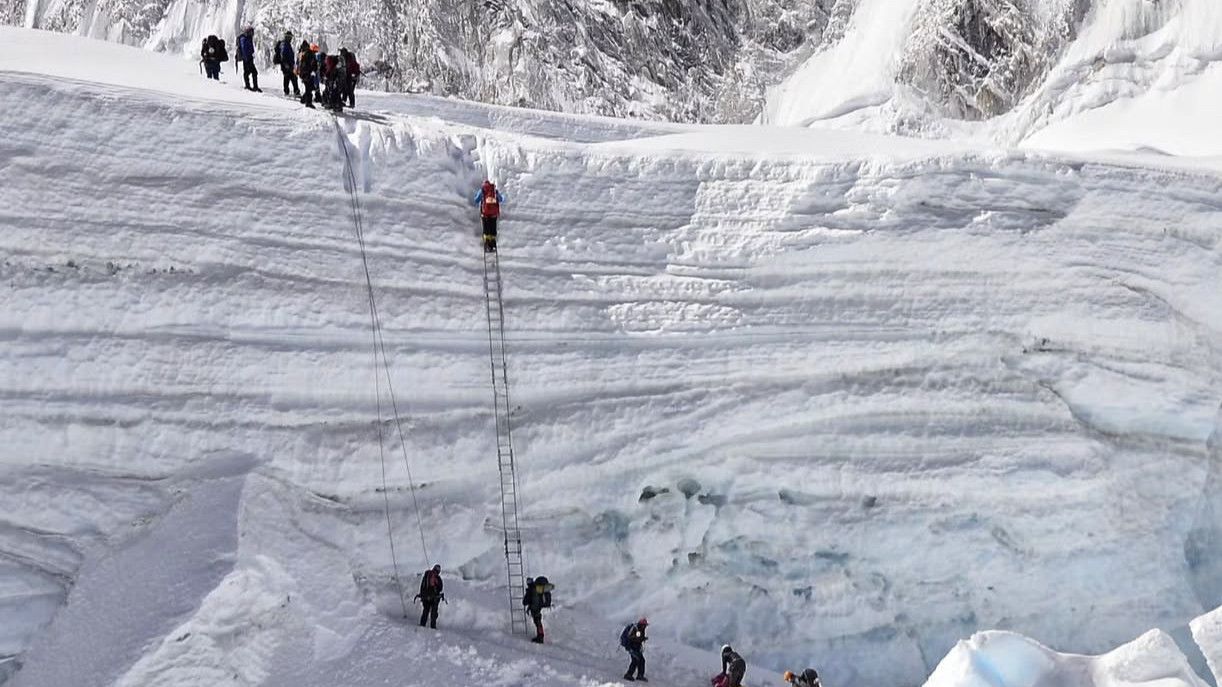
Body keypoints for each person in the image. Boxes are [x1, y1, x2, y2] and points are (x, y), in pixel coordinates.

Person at [472, 180, 505, 252]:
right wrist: (504, 197)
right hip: (493, 214)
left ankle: (487, 244)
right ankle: (493, 244)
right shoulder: (494, 191)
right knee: (492, 228)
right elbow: (501, 199)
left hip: (485, 214)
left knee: (486, 229)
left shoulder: (482, 190)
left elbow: (476, 200)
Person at [522, 576, 552, 644]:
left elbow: (524, 602)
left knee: (537, 621)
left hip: (536, 608)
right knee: (538, 621)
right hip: (542, 607)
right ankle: (540, 636)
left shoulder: (532, 589)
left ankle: (540, 637)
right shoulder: (538, 589)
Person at [415, 564, 444, 629]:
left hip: (425, 597)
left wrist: (422, 595)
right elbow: (440, 588)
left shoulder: (426, 575)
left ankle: (422, 624)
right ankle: (433, 626)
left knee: (426, 610)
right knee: (433, 612)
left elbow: (422, 586)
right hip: (434, 597)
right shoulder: (437, 578)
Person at [620, 617, 649, 682]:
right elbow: (632, 638)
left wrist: (642, 638)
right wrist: (641, 639)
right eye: (644, 625)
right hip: (632, 647)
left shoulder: (641, 629)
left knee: (641, 660)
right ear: (641, 624)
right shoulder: (636, 629)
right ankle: (628, 674)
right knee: (635, 660)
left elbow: (637, 638)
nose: (645, 626)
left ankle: (640, 675)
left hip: (636, 648)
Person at [274, 31, 299, 97]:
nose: (291, 39)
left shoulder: (287, 44)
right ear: (287, 37)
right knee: (290, 77)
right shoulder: (284, 44)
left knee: (289, 77)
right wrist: (285, 64)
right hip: (286, 64)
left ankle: (290, 91)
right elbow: (283, 55)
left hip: (288, 64)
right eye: (290, 37)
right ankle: (291, 91)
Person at [236, 27, 260, 92]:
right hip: (247, 58)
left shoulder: (248, 38)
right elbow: (244, 49)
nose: (253, 34)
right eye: (252, 32)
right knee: (250, 72)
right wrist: (247, 58)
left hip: (249, 58)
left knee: (249, 72)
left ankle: (251, 86)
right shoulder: (244, 39)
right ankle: (249, 86)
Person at [296, 40, 317, 108]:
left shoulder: (301, 53)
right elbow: (312, 64)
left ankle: (304, 99)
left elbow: (298, 63)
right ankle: (308, 102)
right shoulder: (309, 53)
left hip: (302, 73)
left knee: (308, 87)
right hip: (307, 73)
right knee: (309, 87)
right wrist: (312, 70)